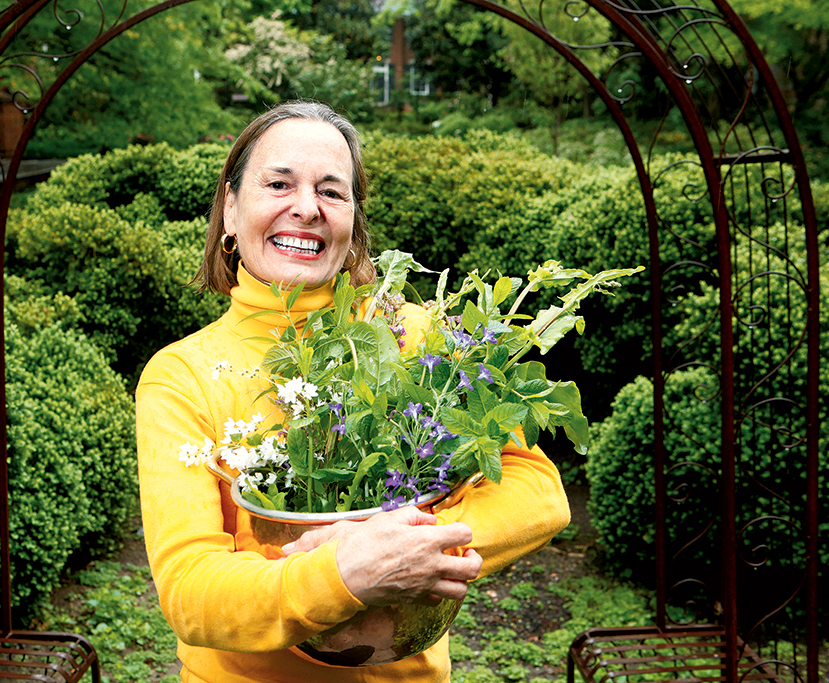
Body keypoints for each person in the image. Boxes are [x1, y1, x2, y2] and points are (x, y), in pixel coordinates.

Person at [135, 100, 570, 683]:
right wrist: (347, 573)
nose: (307, 208)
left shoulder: (413, 335)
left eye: (332, 193)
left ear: (354, 225)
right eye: (278, 183)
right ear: (230, 212)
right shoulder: (182, 374)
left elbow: (536, 490)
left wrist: (417, 551)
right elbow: (191, 592)